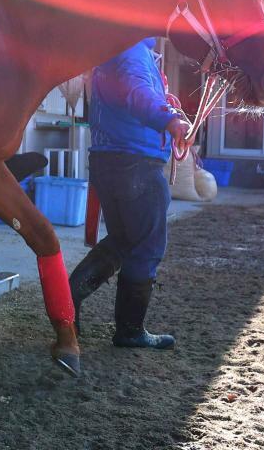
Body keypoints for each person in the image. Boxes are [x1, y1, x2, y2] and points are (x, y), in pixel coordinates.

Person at [69, 36, 193, 349]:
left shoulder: (115, 49)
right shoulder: (133, 52)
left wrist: (165, 108)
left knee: (124, 239)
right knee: (147, 244)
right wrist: (169, 119)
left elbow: (135, 94)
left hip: (108, 159)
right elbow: (137, 94)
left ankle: (71, 295)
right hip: (135, 163)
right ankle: (130, 331)